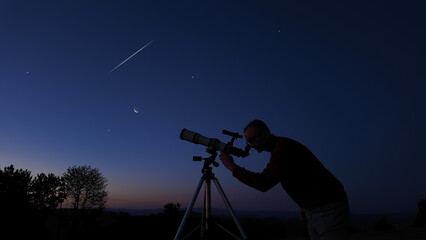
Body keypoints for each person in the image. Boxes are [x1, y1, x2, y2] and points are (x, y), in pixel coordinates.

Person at [219, 119, 351, 240]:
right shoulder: (280, 147)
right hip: (314, 209)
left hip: (328, 209)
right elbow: (304, 177)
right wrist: (304, 206)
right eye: (248, 142)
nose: (251, 146)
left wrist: (232, 167)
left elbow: (263, 183)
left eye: (253, 140)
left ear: (265, 133)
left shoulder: (283, 149)